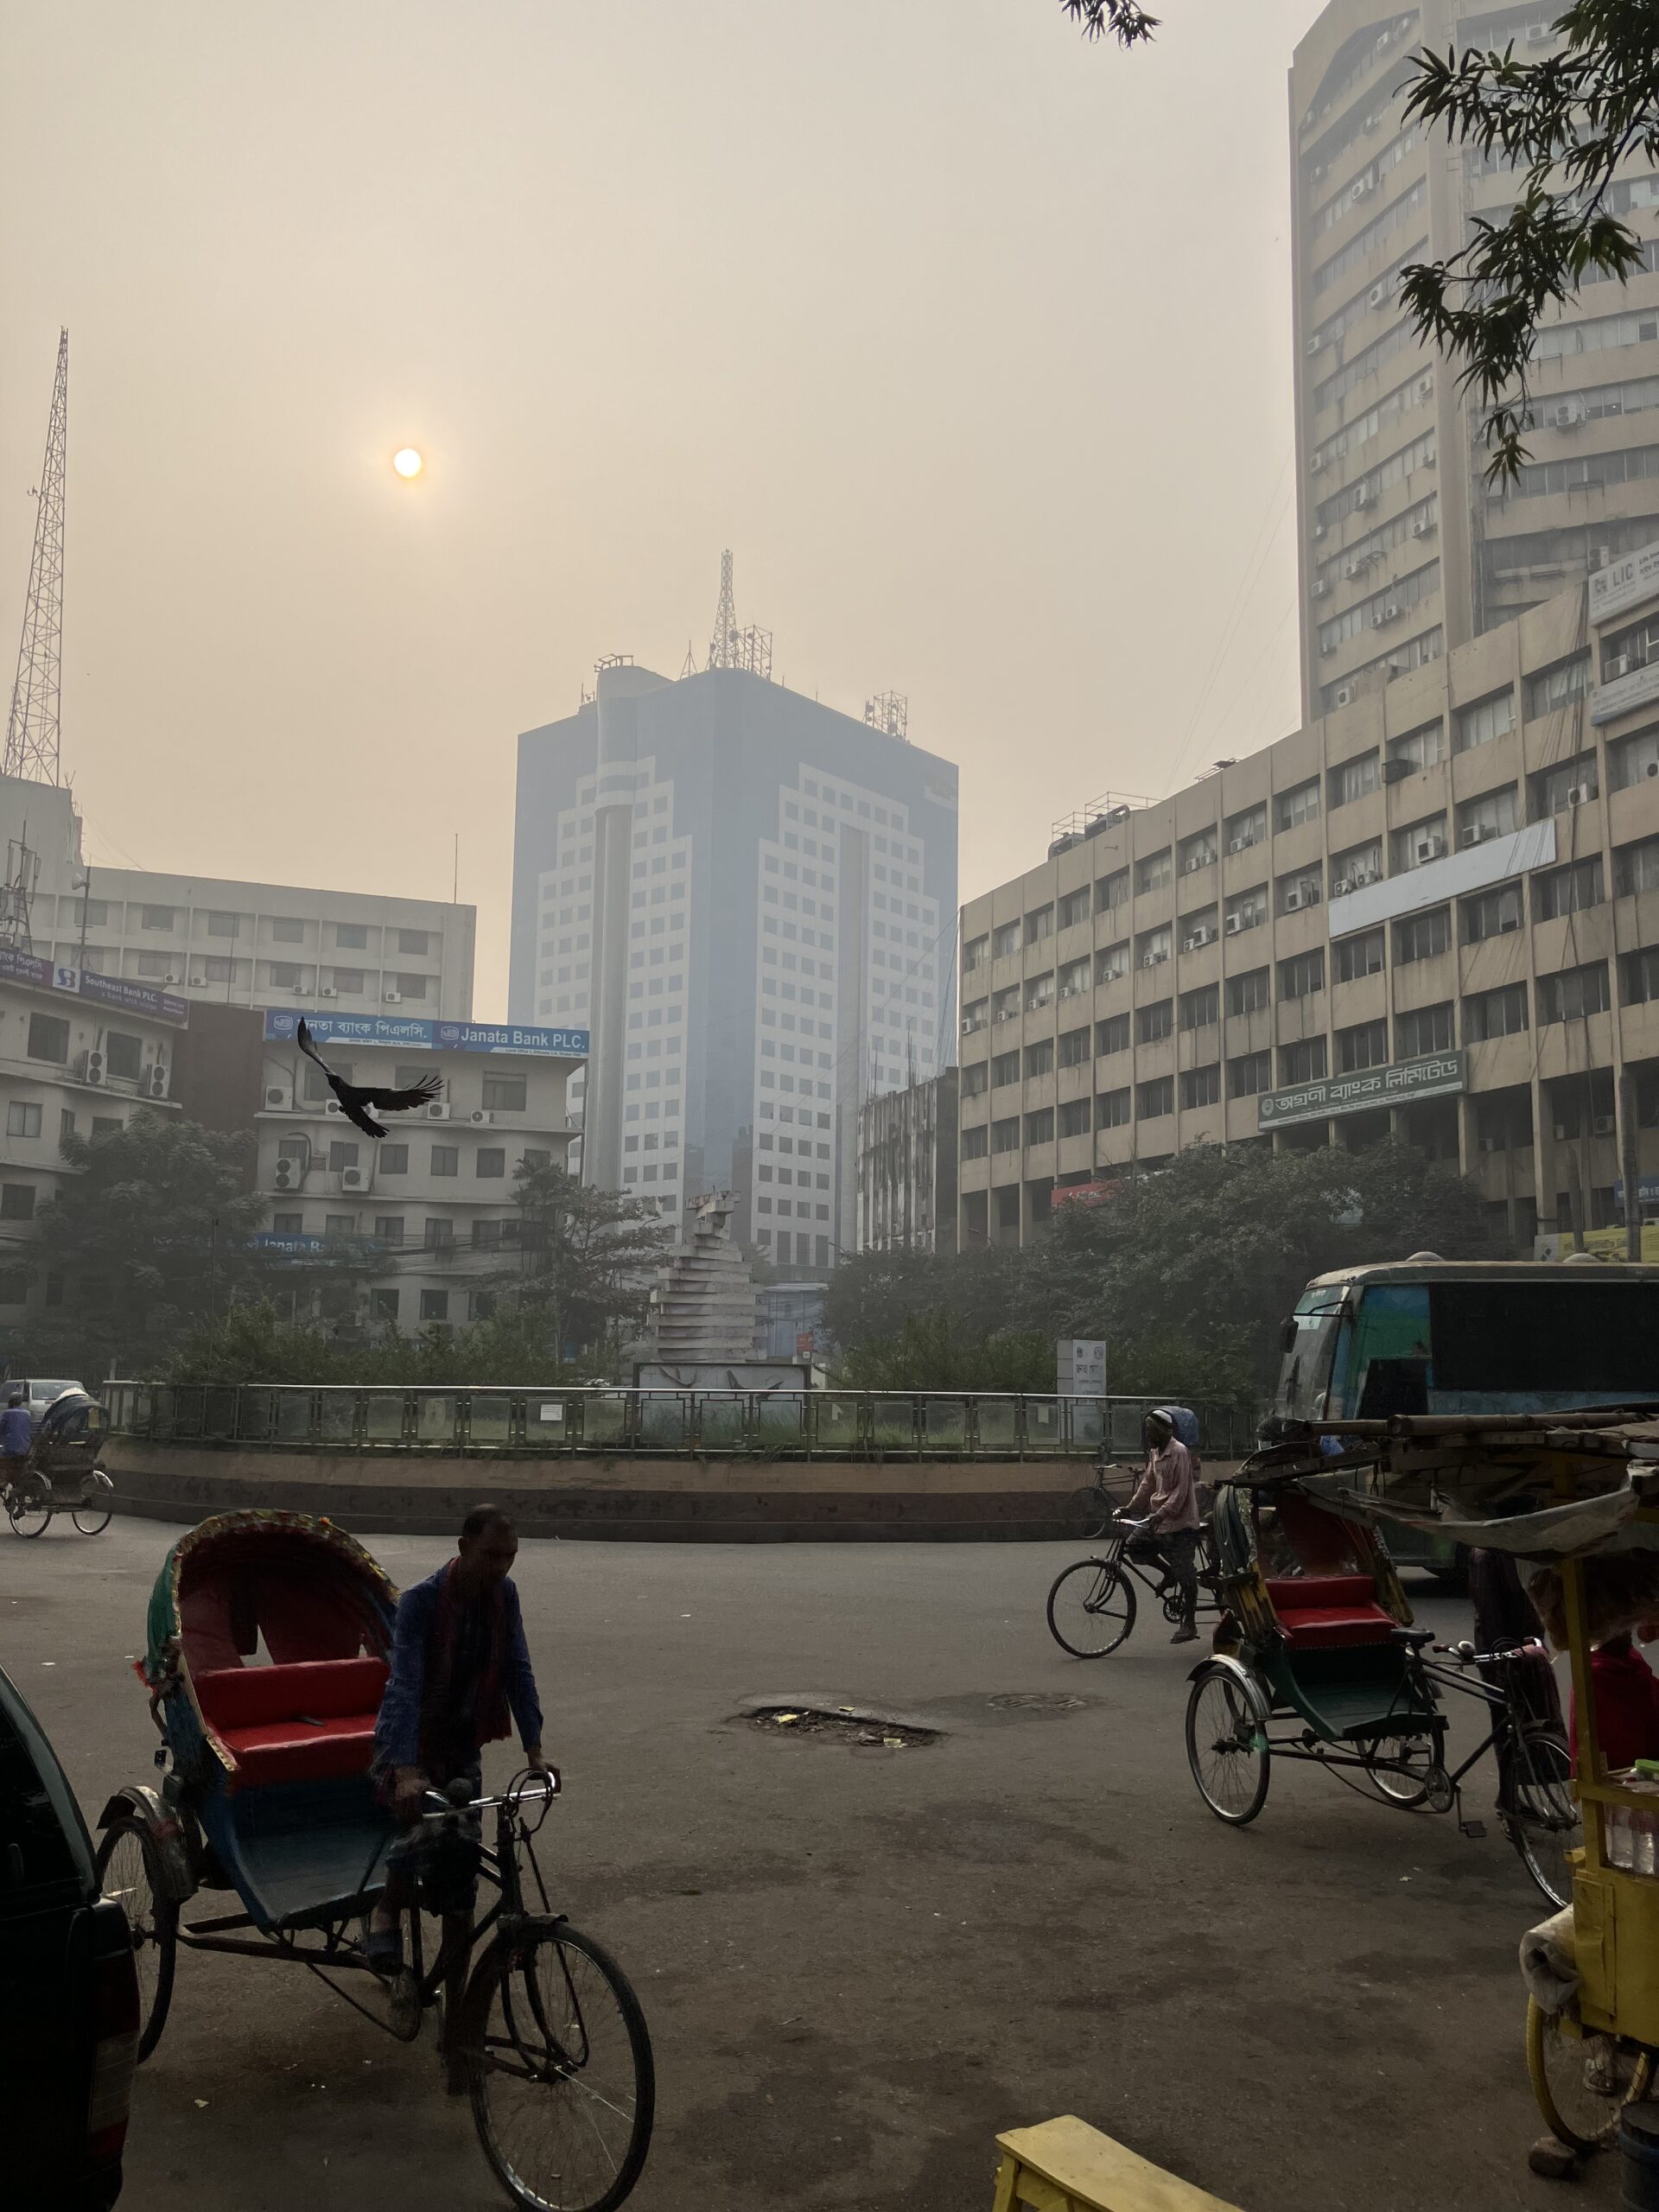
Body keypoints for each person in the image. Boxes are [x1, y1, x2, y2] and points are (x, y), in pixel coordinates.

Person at [367, 1504, 552, 2088]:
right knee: (424, 1831)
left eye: (509, 1558)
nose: (500, 1567)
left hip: (463, 1742)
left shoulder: (505, 1598)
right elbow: (405, 1683)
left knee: (461, 1891)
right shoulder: (422, 1602)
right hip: (411, 1743)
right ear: (462, 1546)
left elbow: (518, 1668)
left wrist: (534, 1750)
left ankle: (455, 2041)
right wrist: (402, 1769)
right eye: (490, 1556)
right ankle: (385, 1908)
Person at [1123, 1407, 1203, 1644]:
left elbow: (1180, 1492)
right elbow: (1148, 1484)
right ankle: (1167, 1573)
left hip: (1180, 1522)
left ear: (1164, 1431)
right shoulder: (1155, 1453)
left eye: (1151, 1430)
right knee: (1134, 1546)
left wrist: (1163, 1513)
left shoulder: (1179, 1452)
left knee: (1187, 1575)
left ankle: (1189, 1623)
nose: (1148, 1434)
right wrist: (1130, 1508)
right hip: (1157, 1517)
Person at [0, 1390, 32, 1488]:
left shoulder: (7, 1413)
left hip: (10, 1450)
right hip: (25, 1449)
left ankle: (3, 1480)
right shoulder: (27, 1414)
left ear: (10, 1402)